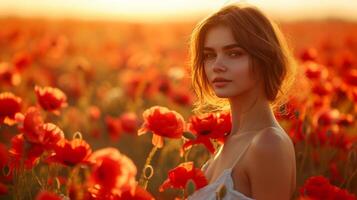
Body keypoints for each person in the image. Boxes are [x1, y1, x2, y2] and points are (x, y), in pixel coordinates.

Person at [187, 2, 297, 200]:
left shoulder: (268, 143)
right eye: (209, 55)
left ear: (265, 59)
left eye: (234, 53)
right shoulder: (230, 139)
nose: (217, 66)